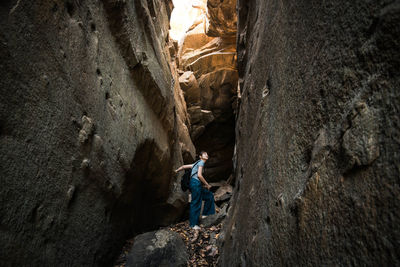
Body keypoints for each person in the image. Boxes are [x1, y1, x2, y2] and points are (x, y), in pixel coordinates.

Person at [175, 151, 215, 230]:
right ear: (200, 157)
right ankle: (193, 224)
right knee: (196, 202)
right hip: (195, 184)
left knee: (209, 195)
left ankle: (206, 214)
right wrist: (207, 184)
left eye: (207, 154)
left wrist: (176, 170)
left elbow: (183, 166)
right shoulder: (201, 163)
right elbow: (199, 175)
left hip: (195, 184)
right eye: (204, 154)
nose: (207, 155)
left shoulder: (196, 163)